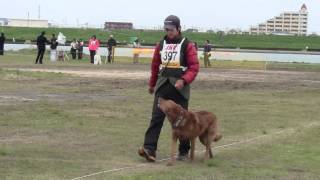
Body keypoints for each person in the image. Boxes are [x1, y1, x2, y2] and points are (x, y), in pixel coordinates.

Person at [139, 15, 199, 162]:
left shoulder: (188, 45)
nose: (168, 32)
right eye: (166, 29)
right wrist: (152, 84)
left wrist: (184, 80)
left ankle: (184, 151)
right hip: (162, 87)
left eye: (171, 29)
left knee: (183, 121)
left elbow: (194, 67)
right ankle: (149, 149)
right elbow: (155, 66)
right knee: (156, 119)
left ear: (178, 28)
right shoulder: (160, 45)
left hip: (180, 89)